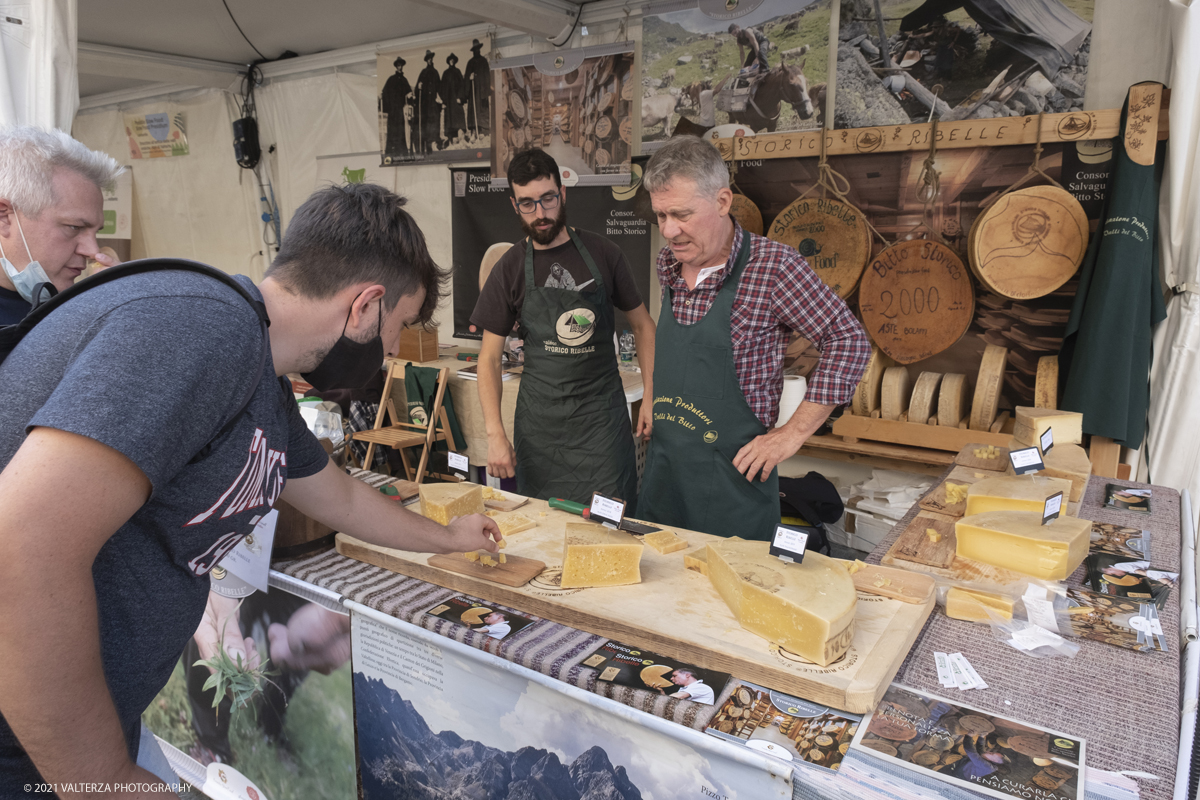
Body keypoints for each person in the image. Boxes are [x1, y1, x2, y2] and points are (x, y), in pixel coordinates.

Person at [0, 182, 500, 793]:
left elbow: (337, 497)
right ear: (365, 305)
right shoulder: (204, 330)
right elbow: (21, 550)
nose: (392, 351)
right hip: (35, 751)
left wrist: (448, 538)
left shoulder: (259, 370)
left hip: (86, 727)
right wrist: (104, 781)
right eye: (397, 327)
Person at [637, 136, 869, 541]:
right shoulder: (669, 262)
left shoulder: (773, 267)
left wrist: (791, 435)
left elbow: (848, 341)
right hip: (666, 477)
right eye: (660, 216)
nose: (669, 231)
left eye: (682, 214)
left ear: (723, 202)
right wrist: (655, 398)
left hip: (732, 487)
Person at [470, 149, 655, 510]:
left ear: (563, 193)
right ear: (514, 205)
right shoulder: (509, 269)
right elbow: (489, 359)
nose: (540, 213)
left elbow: (644, 327)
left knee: (608, 525)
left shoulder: (604, 254)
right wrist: (495, 435)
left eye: (548, 199)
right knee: (545, 527)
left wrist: (650, 395)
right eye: (527, 204)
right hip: (541, 431)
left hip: (600, 425)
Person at [0, 126, 121, 325]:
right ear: (4, 216)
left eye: (95, 232)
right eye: (74, 227)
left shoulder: (76, 306)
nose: (92, 251)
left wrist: (124, 308)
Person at [380, 56, 412, 159]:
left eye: (401, 65)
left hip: (400, 110)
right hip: (392, 110)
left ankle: (401, 150)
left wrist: (410, 96)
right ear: (396, 67)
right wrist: (387, 106)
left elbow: (409, 93)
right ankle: (390, 151)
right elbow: (384, 92)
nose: (400, 67)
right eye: (398, 65)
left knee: (400, 130)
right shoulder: (391, 79)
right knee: (392, 130)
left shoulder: (404, 80)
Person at [415, 50, 443, 154]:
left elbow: (440, 88)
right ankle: (427, 148)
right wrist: (419, 87)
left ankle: (434, 145)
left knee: (435, 123)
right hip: (425, 105)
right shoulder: (423, 72)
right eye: (428, 58)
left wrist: (441, 99)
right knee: (426, 125)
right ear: (426, 60)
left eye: (431, 58)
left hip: (434, 103)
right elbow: (417, 90)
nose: (430, 60)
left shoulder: (436, 72)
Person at [464, 39, 491, 140]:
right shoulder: (470, 63)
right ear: (473, 51)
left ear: (479, 49)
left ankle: (483, 131)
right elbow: (466, 78)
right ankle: (473, 131)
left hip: (482, 92)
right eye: (475, 49)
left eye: (478, 49)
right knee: (473, 111)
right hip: (473, 93)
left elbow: (488, 77)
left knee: (483, 111)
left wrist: (487, 91)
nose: (476, 51)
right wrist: (469, 78)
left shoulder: (484, 61)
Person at [440, 53, 467, 146]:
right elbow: (442, 88)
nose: (451, 61)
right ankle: (451, 141)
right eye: (450, 60)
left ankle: (461, 138)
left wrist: (460, 97)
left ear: (455, 61)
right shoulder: (445, 73)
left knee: (459, 119)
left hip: (457, 101)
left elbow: (462, 86)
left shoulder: (458, 72)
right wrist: (444, 100)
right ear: (448, 61)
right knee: (449, 121)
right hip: (449, 102)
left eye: (453, 60)